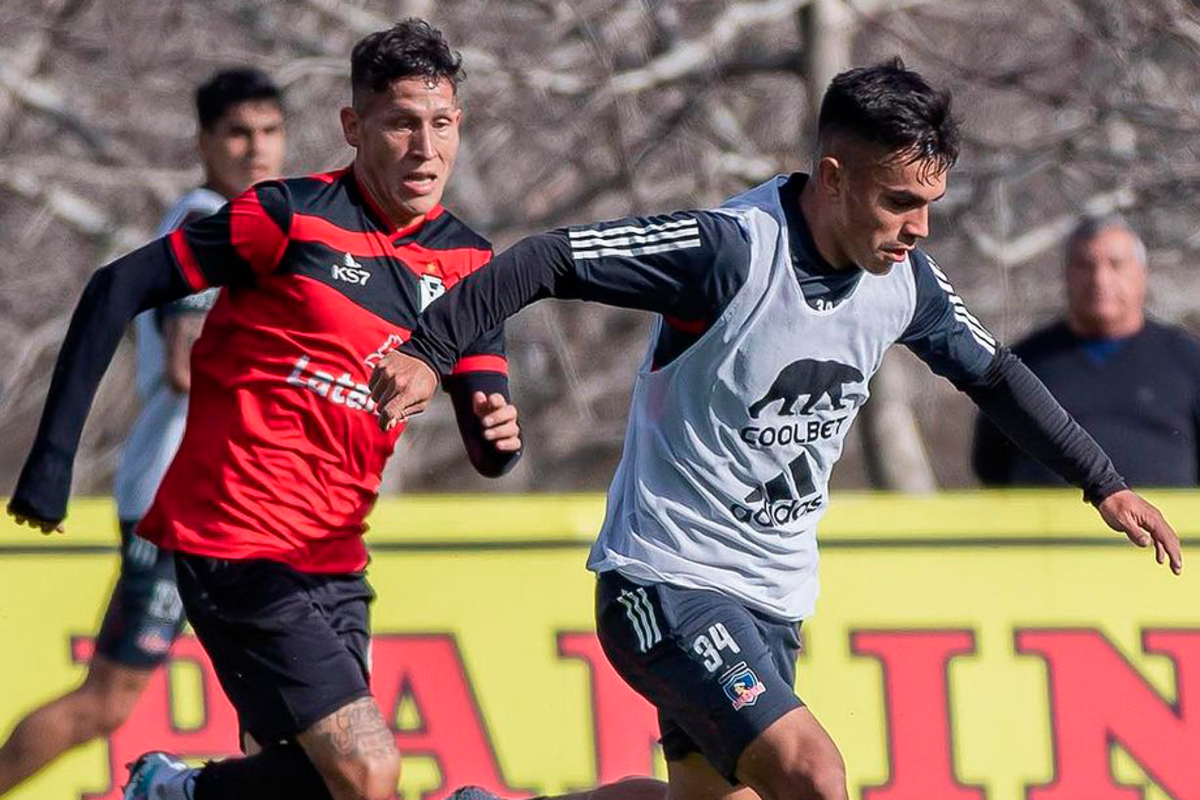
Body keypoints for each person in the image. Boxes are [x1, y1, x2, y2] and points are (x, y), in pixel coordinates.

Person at [369, 59, 1183, 800]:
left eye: (930, 206)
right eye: (899, 201)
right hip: (665, 581)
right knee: (813, 775)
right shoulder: (727, 253)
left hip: (773, 598)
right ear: (832, 179)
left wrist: (1102, 480)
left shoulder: (906, 285)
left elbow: (995, 374)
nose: (919, 228)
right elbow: (548, 256)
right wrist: (431, 350)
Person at [7, 21, 525, 800]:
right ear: (355, 128)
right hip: (233, 540)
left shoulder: (470, 261)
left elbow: (489, 430)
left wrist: (498, 435)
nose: (425, 149)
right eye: (401, 124)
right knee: (369, 768)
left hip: (336, 558)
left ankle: (174, 792)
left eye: (441, 124)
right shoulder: (284, 216)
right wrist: (50, 464)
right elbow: (117, 287)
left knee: (313, 782)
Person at [0, 66, 287, 797]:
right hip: (185, 499)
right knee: (113, 699)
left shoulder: (255, 226)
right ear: (204, 143)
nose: (257, 150)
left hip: (225, 498)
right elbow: (192, 367)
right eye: (237, 134)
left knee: (266, 694)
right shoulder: (202, 221)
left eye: (270, 132)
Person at [974, 214, 1200, 487]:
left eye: (1116, 265)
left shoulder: (1187, 360)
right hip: (1047, 528)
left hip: (1163, 528)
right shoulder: (1021, 365)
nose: (1100, 279)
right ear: (1067, 275)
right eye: (1085, 265)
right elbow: (990, 466)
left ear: (1142, 274)